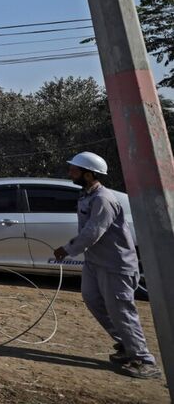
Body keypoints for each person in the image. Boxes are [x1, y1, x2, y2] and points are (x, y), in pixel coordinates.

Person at [53, 152, 160, 380]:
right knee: (92, 299)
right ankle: (126, 344)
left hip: (115, 265)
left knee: (122, 311)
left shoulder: (103, 199)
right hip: (95, 263)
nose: (70, 172)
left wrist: (67, 249)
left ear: (89, 174)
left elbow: (93, 232)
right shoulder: (86, 195)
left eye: (75, 169)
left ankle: (144, 360)